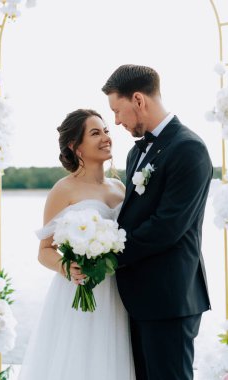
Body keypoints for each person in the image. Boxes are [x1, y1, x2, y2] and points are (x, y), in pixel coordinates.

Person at [102, 64, 213, 380]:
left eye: (117, 110)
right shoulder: (134, 155)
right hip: (137, 300)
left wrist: (106, 256)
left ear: (138, 99)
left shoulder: (189, 149)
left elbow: (167, 227)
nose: (116, 121)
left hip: (170, 301)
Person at [18, 109, 135, 380]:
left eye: (106, 130)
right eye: (95, 133)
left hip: (119, 292)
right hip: (79, 291)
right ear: (75, 146)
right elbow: (45, 250)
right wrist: (67, 267)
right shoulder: (63, 190)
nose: (106, 137)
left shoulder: (119, 188)